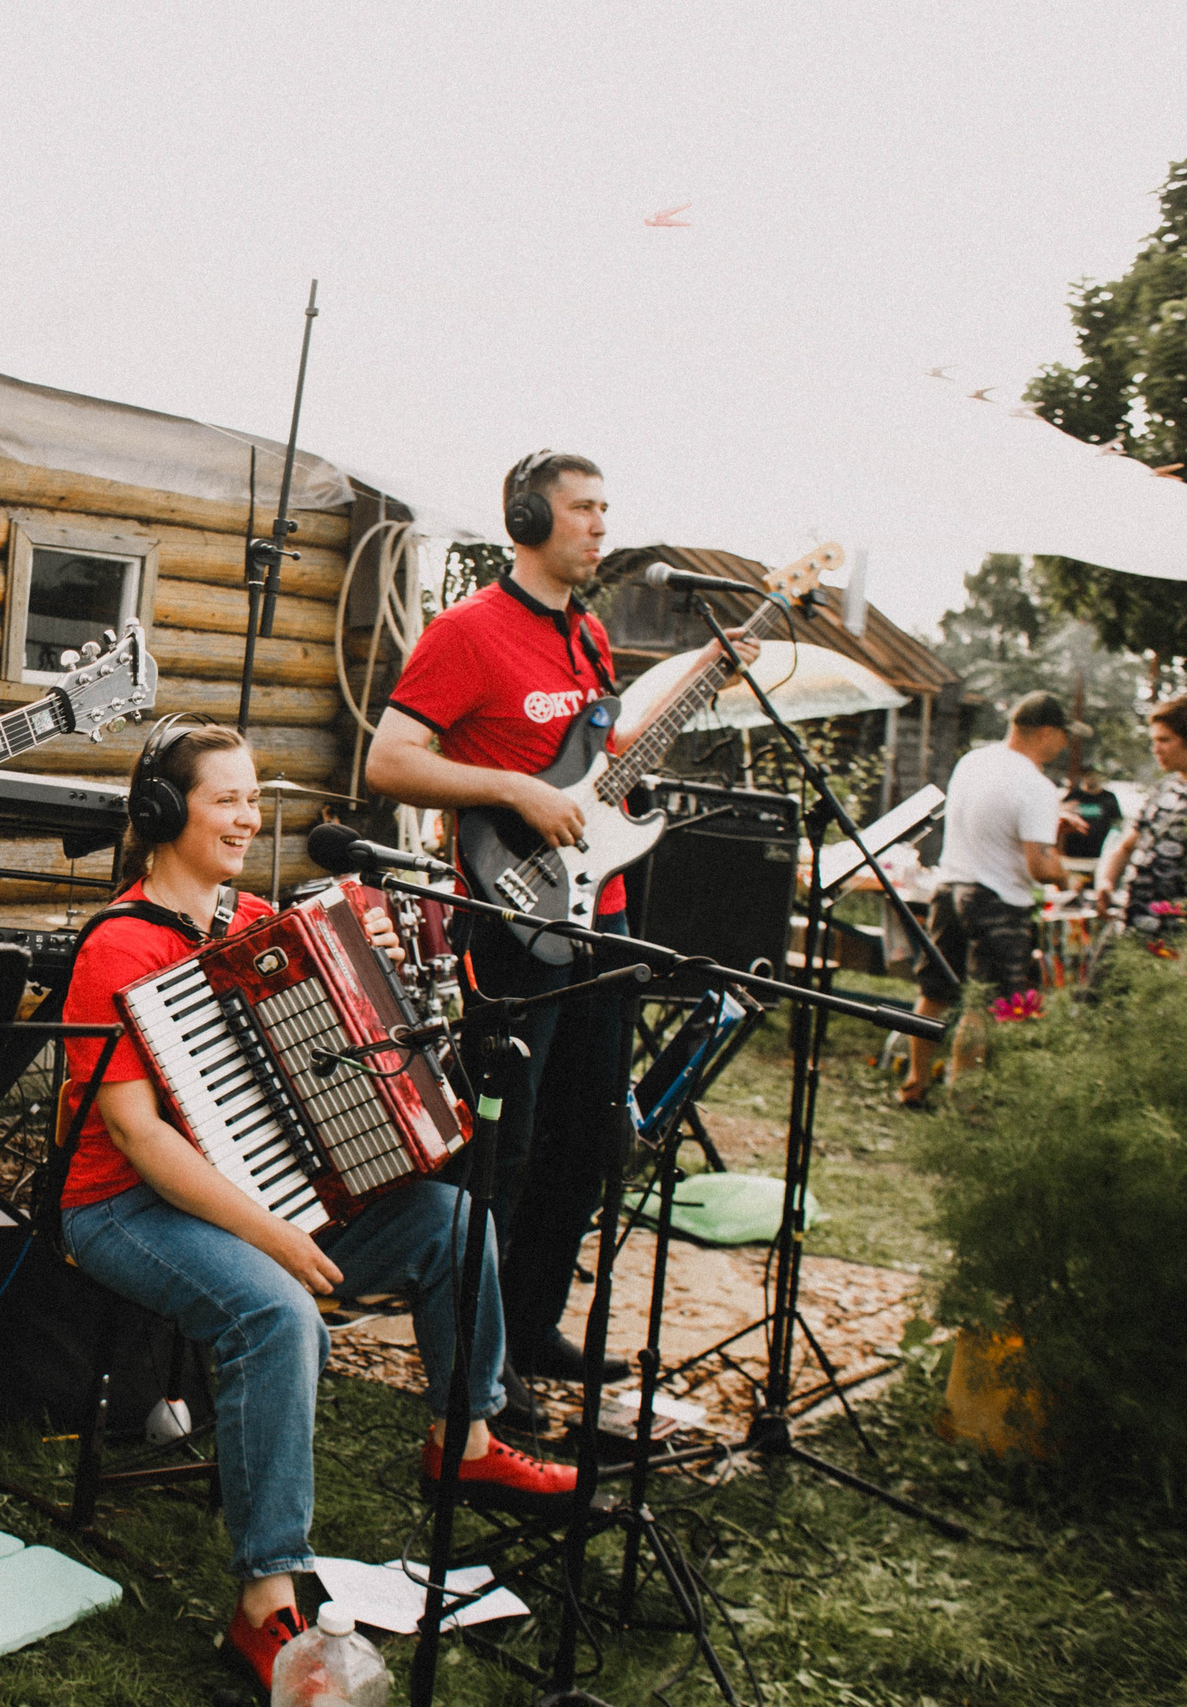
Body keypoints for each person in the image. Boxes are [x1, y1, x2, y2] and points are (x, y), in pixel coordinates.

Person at [57, 721, 577, 1692]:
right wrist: (276, 1237)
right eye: (227, 800)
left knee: (451, 1225)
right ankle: (264, 1605)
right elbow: (139, 1137)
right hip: (122, 1207)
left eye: (256, 799)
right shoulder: (116, 946)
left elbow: (318, 1069)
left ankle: (461, 1438)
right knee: (276, 1310)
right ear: (164, 814)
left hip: (267, 1193)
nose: (249, 818)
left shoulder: (255, 926)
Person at [362, 451, 755, 1406]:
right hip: (510, 920)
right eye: (583, 508)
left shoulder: (588, 638)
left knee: (591, 1139)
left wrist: (697, 687)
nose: (599, 525)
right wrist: (510, 789)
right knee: (512, 1144)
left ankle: (530, 1328)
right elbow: (390, 761)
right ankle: (474, 1361)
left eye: (605, 508)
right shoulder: (467, 632)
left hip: (603, 924)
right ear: (530, 517)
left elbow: (599, 765)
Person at [899, 691, 1086, 1104]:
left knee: (934, 993)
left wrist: (1050, 824)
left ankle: (915, 1083)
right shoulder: (1036, 784)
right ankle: (963, 1100)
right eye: (1064, 737)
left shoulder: (974, 762)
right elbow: (1040, 867)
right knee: (982, 1004)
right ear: (1047, 732)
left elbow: (992, 821)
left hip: (949, 889)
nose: (1064, 746)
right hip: (997, 901)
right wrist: (1070, 877)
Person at [1099, 694, 1187, 946]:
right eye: (1153, 740)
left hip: (1174, 941)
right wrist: (1106, 882)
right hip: (1127, 931)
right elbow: (1126, 846)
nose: (1156, 749)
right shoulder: (1166, 787)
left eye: (1164, 740)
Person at [1058, 766, 1123, 863]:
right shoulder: (1074, 796)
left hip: (1099, 853)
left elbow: (1117, 822)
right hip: (1073, 852)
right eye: (1088, 775)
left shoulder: (1109, 797)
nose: (1091, 778)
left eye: (1095, 775)